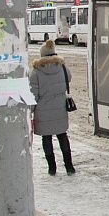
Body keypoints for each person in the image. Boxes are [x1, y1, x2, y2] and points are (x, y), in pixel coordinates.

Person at [29, 39, 75, 175]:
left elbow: (33, 94)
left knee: (47, 138)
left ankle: (52, 168)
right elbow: (69, 79)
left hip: (43, 109)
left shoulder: (36, 72)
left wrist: (30, 111)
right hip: (60, 107)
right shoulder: (62, 67)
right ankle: (69, 166)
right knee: (62, 136)